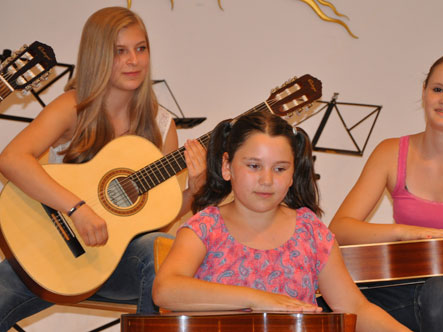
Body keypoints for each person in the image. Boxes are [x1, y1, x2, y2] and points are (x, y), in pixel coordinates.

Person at [0, 6, 206, 331]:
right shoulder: (73, 107)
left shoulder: (162, 124)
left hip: (120, 260)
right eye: (119, 52)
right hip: (54, 250)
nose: (134, 61)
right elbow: (12, 158)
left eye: (141, 49)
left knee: (159, 248)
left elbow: (157, 217)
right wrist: (77, 208)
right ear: (97, 56)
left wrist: (193, 192)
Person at [152, 111, 411, 332]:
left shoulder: (311, 232)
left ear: (292, 175)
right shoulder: (205, 227)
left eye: (280, 168)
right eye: (254, 166)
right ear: (227, 166)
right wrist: (259, 301)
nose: (267, 180)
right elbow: (165, 289)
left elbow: (355, 308)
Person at [328, 51, 443, 331]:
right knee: (331, 296)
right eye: (438, 89)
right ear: (424, 92)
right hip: (403, 291)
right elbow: (339, 230)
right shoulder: (390, 152)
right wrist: (407, 232)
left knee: (439, 291)